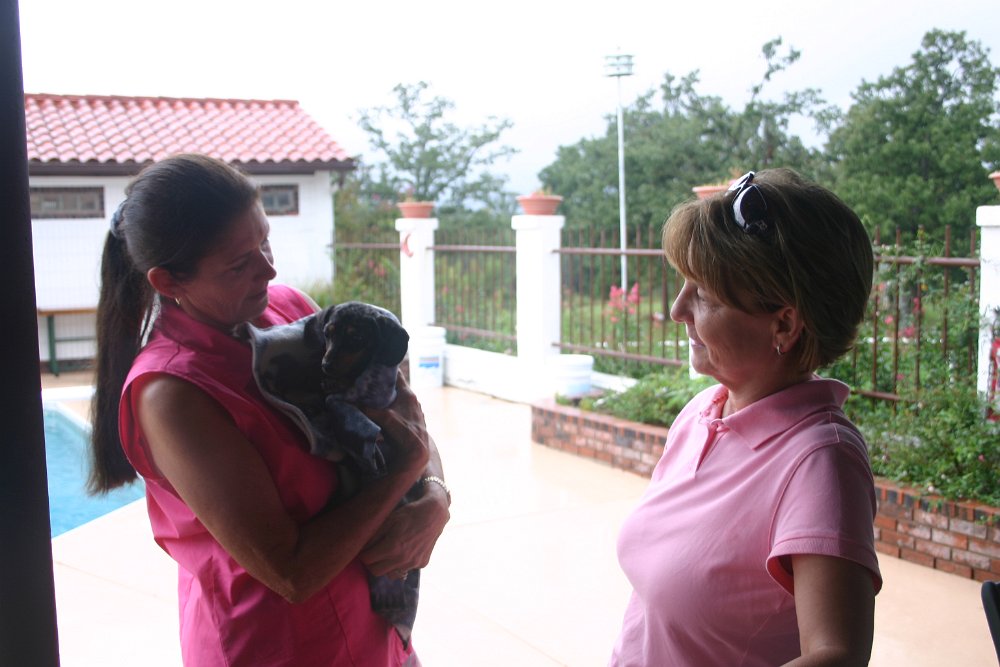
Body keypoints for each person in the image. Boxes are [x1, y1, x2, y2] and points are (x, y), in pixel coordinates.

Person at [88, 153, 450, 667]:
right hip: (278, 647)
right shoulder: (172, 393)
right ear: (168, 282)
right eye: (240, 264)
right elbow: (291, 572)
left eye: (264, 241)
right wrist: (406, 470)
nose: (269, 268)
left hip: (375, 636)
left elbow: (399, 415)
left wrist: (433, 496)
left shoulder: (291, 310)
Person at [609, 169, 882, 666]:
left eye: (705, 295)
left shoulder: (819, 461)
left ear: (785, 324)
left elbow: (836, 655)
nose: (677, 310)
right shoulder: (701, 414)